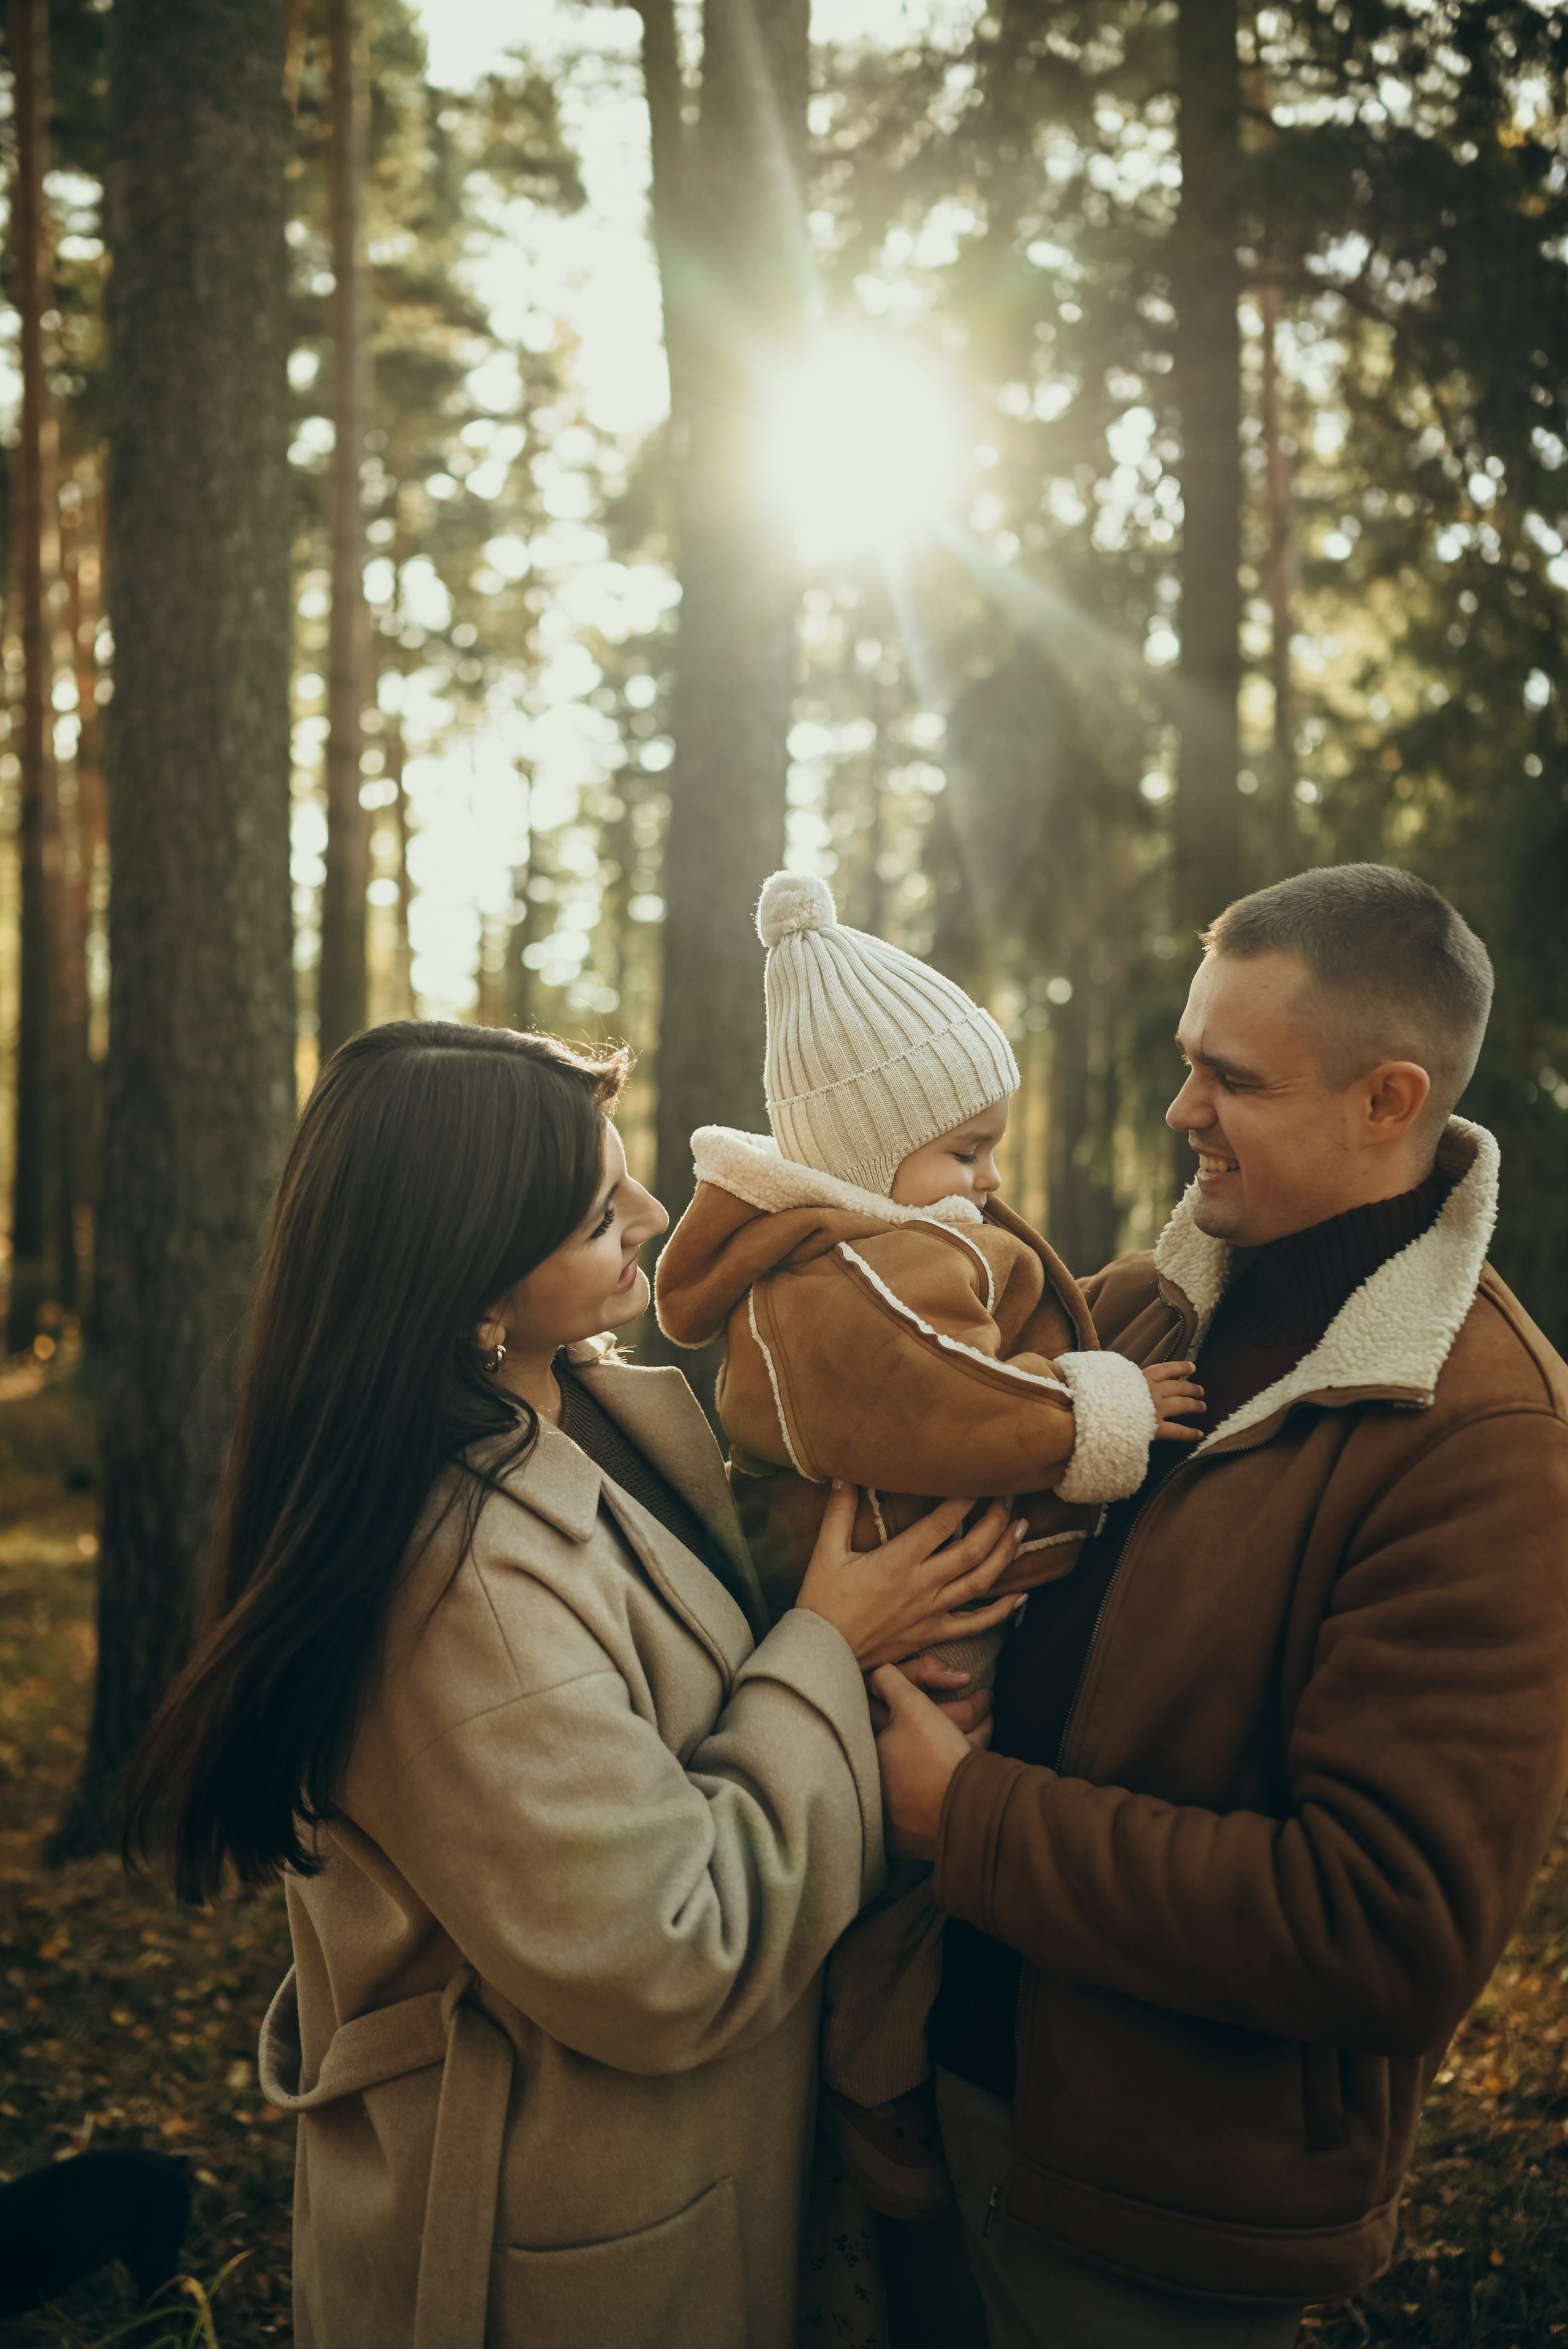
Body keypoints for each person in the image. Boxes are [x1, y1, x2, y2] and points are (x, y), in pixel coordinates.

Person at [126, 1020, 1027, 2349]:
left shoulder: (594, 1411)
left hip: (709, 2161)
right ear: (469, 1274)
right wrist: (829, 1655)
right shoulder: (452, 1590)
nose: (656, 1216)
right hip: (562, 2242)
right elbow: (666, 1947)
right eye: (600, 1209)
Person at [873, 863, 1568, 2349]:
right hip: (923, 2112)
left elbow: (1382, 1927)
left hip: (1151, 2228)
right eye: (1187, 1055)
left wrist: (968, 1816)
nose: (1181, 1107)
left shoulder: (1482, 1438)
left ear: (1386, 1100)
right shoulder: (1132, 1313)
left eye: (1228, 1077)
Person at [657, 872, 1202, 2224]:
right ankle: (867, 2081)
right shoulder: (838, 1281)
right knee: (901, 1876)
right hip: (890, 1608)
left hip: (931, 1583)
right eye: (963, 1149)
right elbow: (946, 1398)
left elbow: (995, 1324)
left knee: (933, 1843)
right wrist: (1098, 1411)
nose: (990, 1177)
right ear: (866, 1145)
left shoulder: (894, 1242)